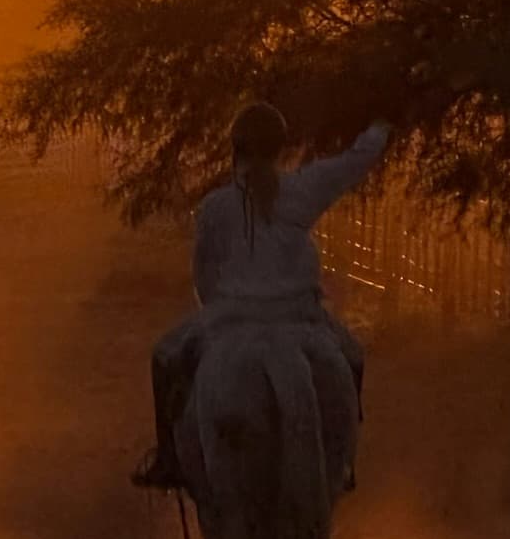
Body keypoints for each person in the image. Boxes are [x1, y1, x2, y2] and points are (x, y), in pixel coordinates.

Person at [131, 102, 387, 492]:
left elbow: (203, 274)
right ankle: (342, 459)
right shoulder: (303, 189)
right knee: (351, 357)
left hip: (230, 315)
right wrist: (381, 126)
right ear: (280, 149)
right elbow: (353, 162)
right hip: (302, 315)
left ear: (236, 150)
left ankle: (168, 461)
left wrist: (215, 313)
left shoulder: (216, 207)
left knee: (164, 359)